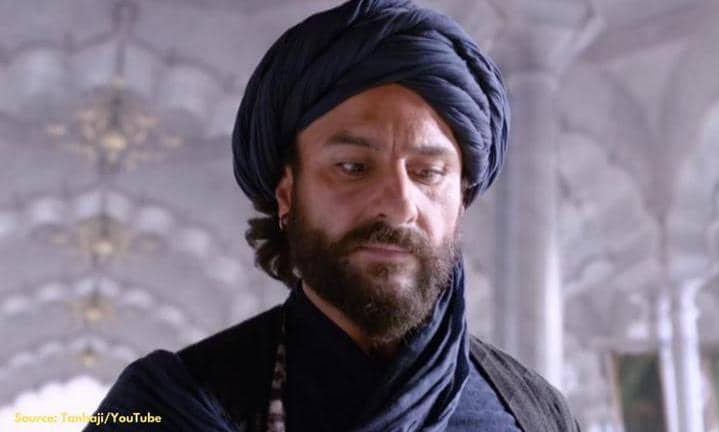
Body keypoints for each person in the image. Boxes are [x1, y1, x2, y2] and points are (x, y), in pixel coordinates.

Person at [85, 0, 580, 431]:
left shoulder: (534, 412)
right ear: (287, 193)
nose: (399, 205)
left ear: (462, 198)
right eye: (353, 167)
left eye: (428, 173)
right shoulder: (168, 405)